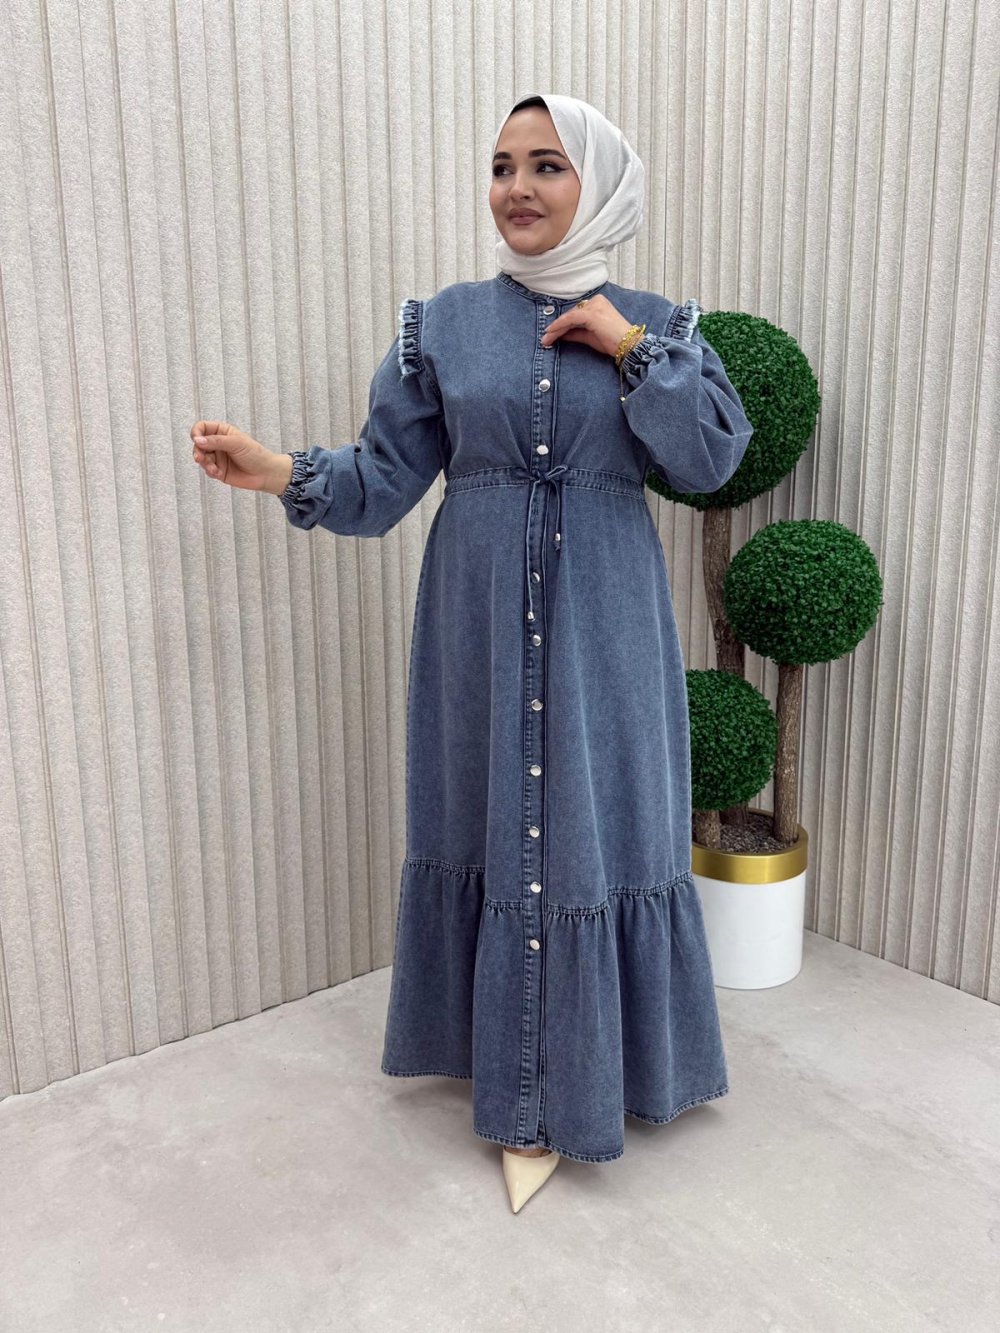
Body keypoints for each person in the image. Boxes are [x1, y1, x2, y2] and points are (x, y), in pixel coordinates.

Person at [190, 92, 754, 1214]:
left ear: (598, 183)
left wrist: (627, 346)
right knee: (487, 815)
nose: (517, 188)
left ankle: (592, 1076)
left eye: (547, 164)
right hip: (476, 623)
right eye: (501, 166)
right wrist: (279, 471)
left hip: (606, 627)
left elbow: (708, 461)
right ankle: (518, 1082)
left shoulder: (657, 323)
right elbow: (382, 481)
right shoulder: (442, 324)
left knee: (595, 824)